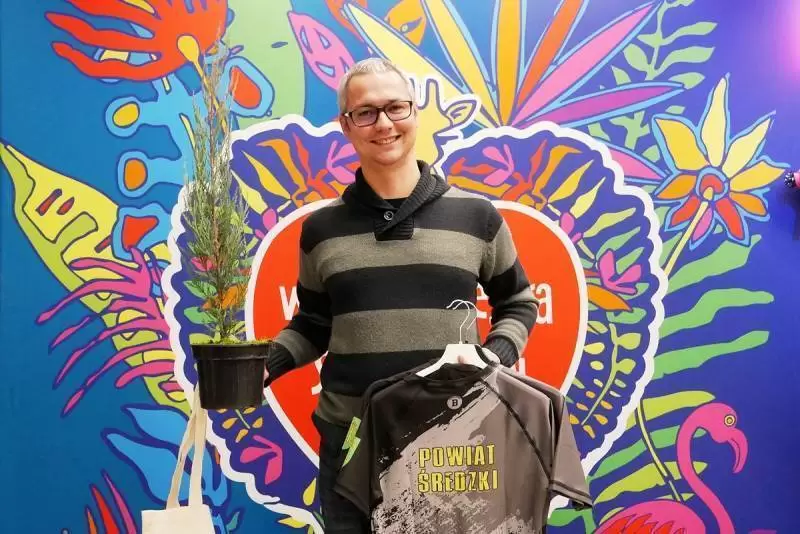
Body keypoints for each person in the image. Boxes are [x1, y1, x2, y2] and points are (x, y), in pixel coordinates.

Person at [262, 58, 539, 533]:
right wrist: (264, 364)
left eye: (395, 107)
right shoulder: (321, 229)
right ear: (345, 125)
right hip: (351, 444)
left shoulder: (477, 217)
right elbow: (314, 323)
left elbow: (518, 302)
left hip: (452, 444)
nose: (384, 123)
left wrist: (493, 356)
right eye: (366, 112)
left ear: (415, 111)